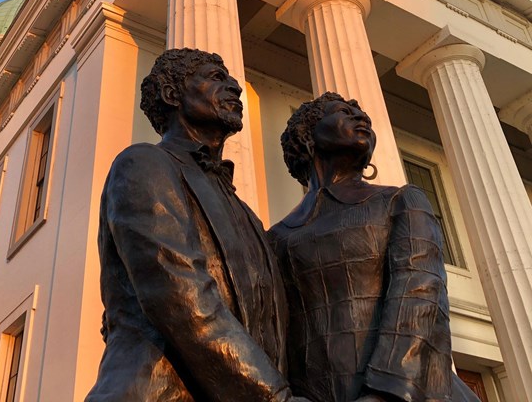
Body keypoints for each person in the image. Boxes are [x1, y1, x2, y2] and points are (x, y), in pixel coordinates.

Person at [86, 48, 309, 402]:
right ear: (172, 95)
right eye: (216, 77)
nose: (234, 86)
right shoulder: (144, 164)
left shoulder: (245, 211)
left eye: (231, 79)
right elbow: (178, 295)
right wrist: (274, 397)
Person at [268, 92, 479, 402]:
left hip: (399, 393)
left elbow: (419, 296)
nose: (361, 118)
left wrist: (385, 393)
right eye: (343, 111)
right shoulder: (277, 238)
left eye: (362, 114)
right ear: (306, 135)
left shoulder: (400, 201)